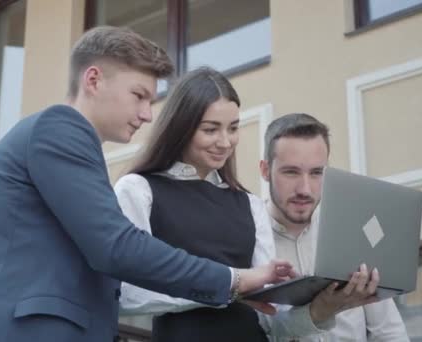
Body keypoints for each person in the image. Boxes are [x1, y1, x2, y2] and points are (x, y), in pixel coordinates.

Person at [0, 27, 294, 342]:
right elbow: (117, 246)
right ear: (94, 80)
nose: (147, 114)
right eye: (139, 95)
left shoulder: (75, 146)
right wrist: (234, 280)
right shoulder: (59, 129)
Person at [114, 67, 379, 342]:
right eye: (210, 129)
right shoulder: (139, 190)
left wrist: (324, 308)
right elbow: (127, 293)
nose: (225, 142)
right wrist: (234, 284)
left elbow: (274, 323)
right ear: (181, 127)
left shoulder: (250, 204)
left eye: (233, 128)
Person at [259, 113, 410, 341]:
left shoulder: (350, 229)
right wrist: (318, 312)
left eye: (317, 173)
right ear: (265, 170)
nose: (305, 189)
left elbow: (388, 330)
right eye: (291, 172)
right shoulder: (246, 240)